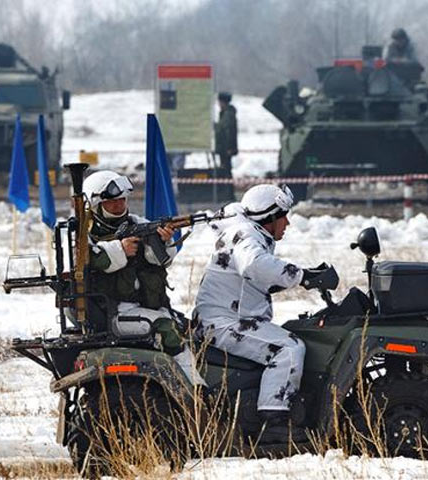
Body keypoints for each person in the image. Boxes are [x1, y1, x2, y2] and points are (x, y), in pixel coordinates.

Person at [194, 184, 328, 442]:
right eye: (283, 216)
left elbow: (255, 278)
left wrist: (308, 275)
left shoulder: (245, 232)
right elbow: (254, 265)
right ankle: (275, 422)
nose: (287, 222)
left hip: (225, 316)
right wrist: (301, 275)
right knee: (288, 349)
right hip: (225, 322)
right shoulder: (246, 235)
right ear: (269, 218)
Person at [82, 170, 204, 386]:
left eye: (122, 200)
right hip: (112, 311)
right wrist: (120, 249)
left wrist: (163, 242)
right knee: (168, 329)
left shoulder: (137, 222)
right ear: (96, 205)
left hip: (147, 306)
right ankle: (193, 392)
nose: (119, 206)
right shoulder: (85, 234)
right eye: (112, 203)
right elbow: (92, 260)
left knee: (193, 331)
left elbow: (161, 261)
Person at [214, 92, 238, 178]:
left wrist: (229, 148)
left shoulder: (228, 115)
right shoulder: (225, 113)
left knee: (226, 169)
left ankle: (228, 188)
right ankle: (227, 187)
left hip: (225, 148)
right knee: (225, 168)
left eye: (220, 102)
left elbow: (229, 132)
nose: (219, 104)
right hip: (224, 148)